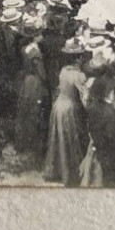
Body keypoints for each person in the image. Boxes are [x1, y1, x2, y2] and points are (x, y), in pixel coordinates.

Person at [44, 38, 89, 186]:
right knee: (70, 141)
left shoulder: (63, 71)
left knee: (58, 139)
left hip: (58, 106)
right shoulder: (78, 75)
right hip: (70, 108)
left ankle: (56, 170)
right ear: (78, 58)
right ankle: (70, 173)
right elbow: (84, 96)